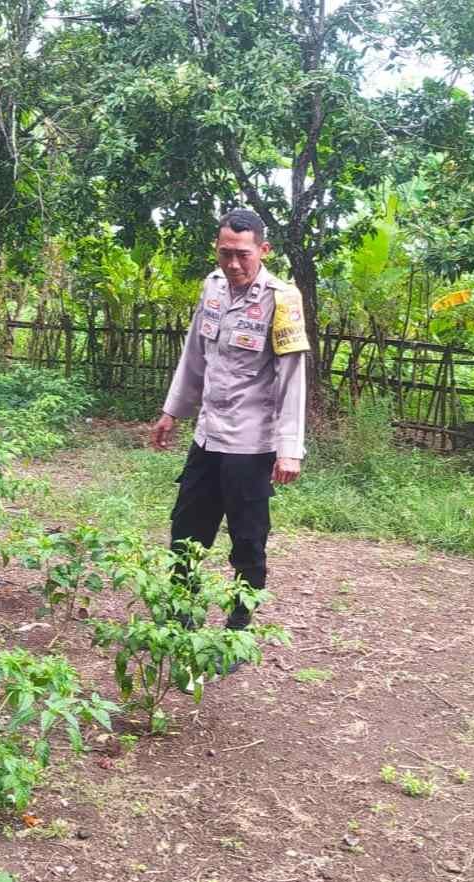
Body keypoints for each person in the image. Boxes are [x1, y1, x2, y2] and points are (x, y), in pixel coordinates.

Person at [148, 209, 309, 632]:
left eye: (243, 255)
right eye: (225, 254)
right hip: (207, 437)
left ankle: (239, 627)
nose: (233, 265)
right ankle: (180, 616)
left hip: (251, 446)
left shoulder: (282, 299)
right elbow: (195, 356)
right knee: (187, 531)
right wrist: (172, 411)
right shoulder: (213, 287)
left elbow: (291, 379)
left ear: (263, 250)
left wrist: (289, 450)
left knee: (248, 540)